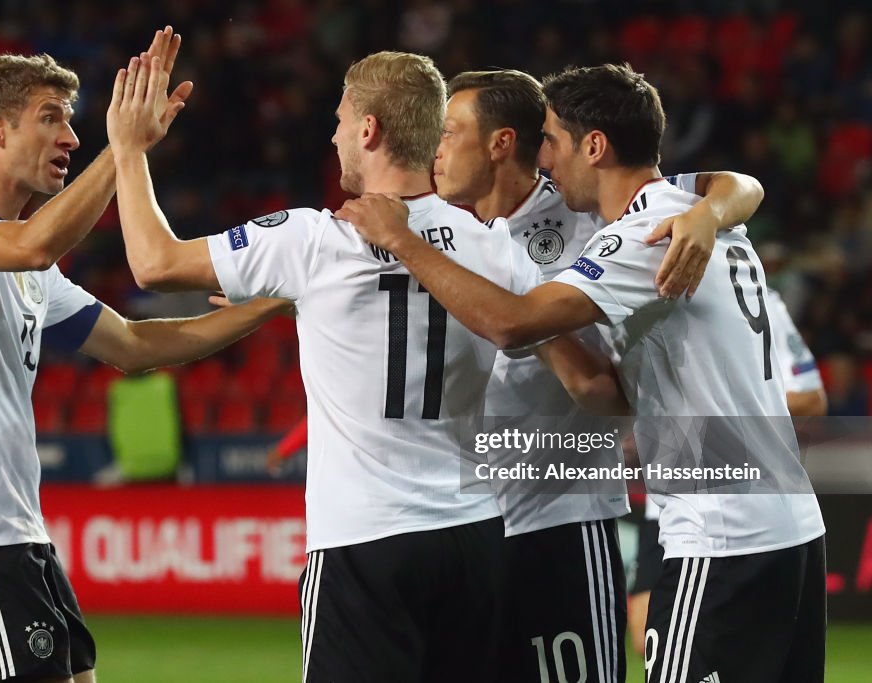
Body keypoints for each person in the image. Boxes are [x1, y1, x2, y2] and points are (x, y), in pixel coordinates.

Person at [106, 50, 629, 682]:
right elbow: (582, 374)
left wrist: (128, 150)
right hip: (473, 538)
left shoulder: (313, 240)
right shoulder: (494, 250)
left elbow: (154, 264)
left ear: (369, 130)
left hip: (365, 539)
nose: (332, 134)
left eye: (339, 118)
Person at [340, 64, 827, 683]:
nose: (543, 158)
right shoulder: (690, 209)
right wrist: (714, 211)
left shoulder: (640, 237)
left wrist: (406, 243)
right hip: (791, 529)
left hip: (720, 535)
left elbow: (513, 323)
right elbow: (739, 186)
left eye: (551, 140)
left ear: (593, 146)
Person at [0, 28, 290, 683]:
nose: (70, 139)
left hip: (18, 532)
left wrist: (270, 305)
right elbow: (31, 247)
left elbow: (132, 346)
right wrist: (124, 150)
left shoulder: (24, 262)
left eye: (73, 124)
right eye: (51, 119)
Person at [433, 69, 766, 683]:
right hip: (460, 527)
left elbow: (735, 185)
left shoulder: (598, 214)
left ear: (500, 142)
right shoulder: (439, 231)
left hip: (564, 517)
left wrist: (712, 212)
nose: (436, 149)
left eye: (449, 132)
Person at [626, 273, 827, 657]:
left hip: (734, 506)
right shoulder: (642, 289)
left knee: (703, 648)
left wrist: (731, 412)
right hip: (667, 504)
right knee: (647, 635)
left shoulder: (758, 297)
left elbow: (811, 399)